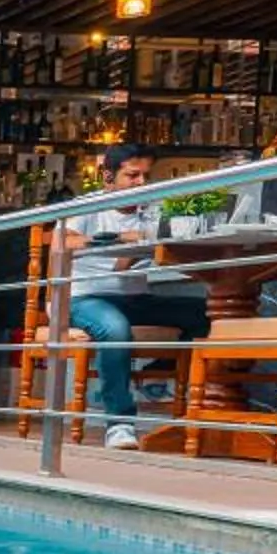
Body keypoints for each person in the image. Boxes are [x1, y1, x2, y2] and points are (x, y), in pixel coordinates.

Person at [68, 145, 211, 450]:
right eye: (132, 175)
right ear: (108, 176)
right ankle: (119, 424)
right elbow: (62, 242)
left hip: (135, 299)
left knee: (209, 313)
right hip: (85, 298)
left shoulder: (153, 209)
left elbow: (203, 209)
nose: (140, 183)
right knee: (115, 329)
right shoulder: (87, 206)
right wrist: (123, 241)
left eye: (145, 175)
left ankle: (179, 394)